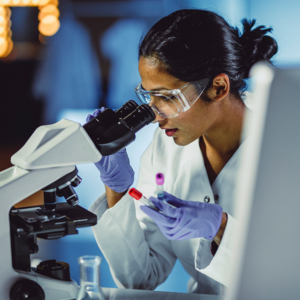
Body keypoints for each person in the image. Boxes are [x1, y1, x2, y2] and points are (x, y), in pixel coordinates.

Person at [88, 9, 278, 295]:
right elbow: (141, 280)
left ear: (218, 87)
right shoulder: (165, 146)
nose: (155, 115)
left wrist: (221, 227)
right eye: (148, 96)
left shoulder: (285, 143)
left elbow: (285, 271)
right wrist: (117, 190)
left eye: (166, 97)